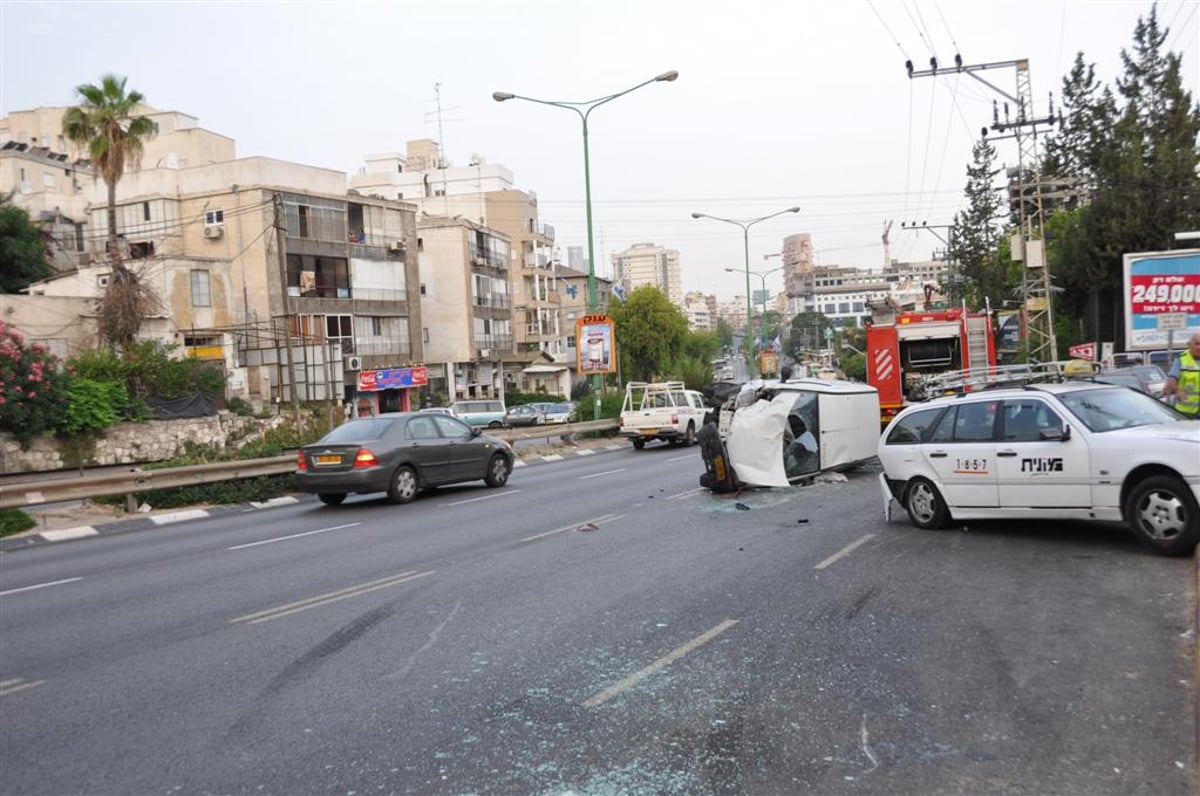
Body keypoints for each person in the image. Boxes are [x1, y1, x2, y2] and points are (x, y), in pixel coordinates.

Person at [1164, 331, 1200, 416]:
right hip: (1186, 412)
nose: (1199, 347)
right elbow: (1172, 378)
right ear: (1189, 345)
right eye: (1197, 344)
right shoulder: (1181, 359)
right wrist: (1177, 391)